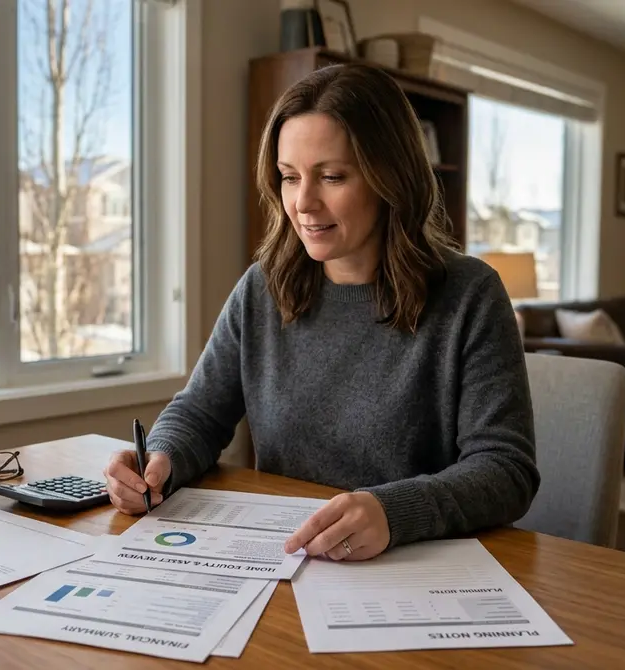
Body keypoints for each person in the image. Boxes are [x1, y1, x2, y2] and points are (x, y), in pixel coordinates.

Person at [104, 63, 539, 562]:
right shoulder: (262, 288)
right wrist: (160, 460)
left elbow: (506, 469)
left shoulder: (470, 295)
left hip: (409, 565)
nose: (303, 203)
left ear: (389, 178)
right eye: (290, 178)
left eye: (331, 176)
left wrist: (394, 511)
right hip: (285, 558)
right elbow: (199, 413)